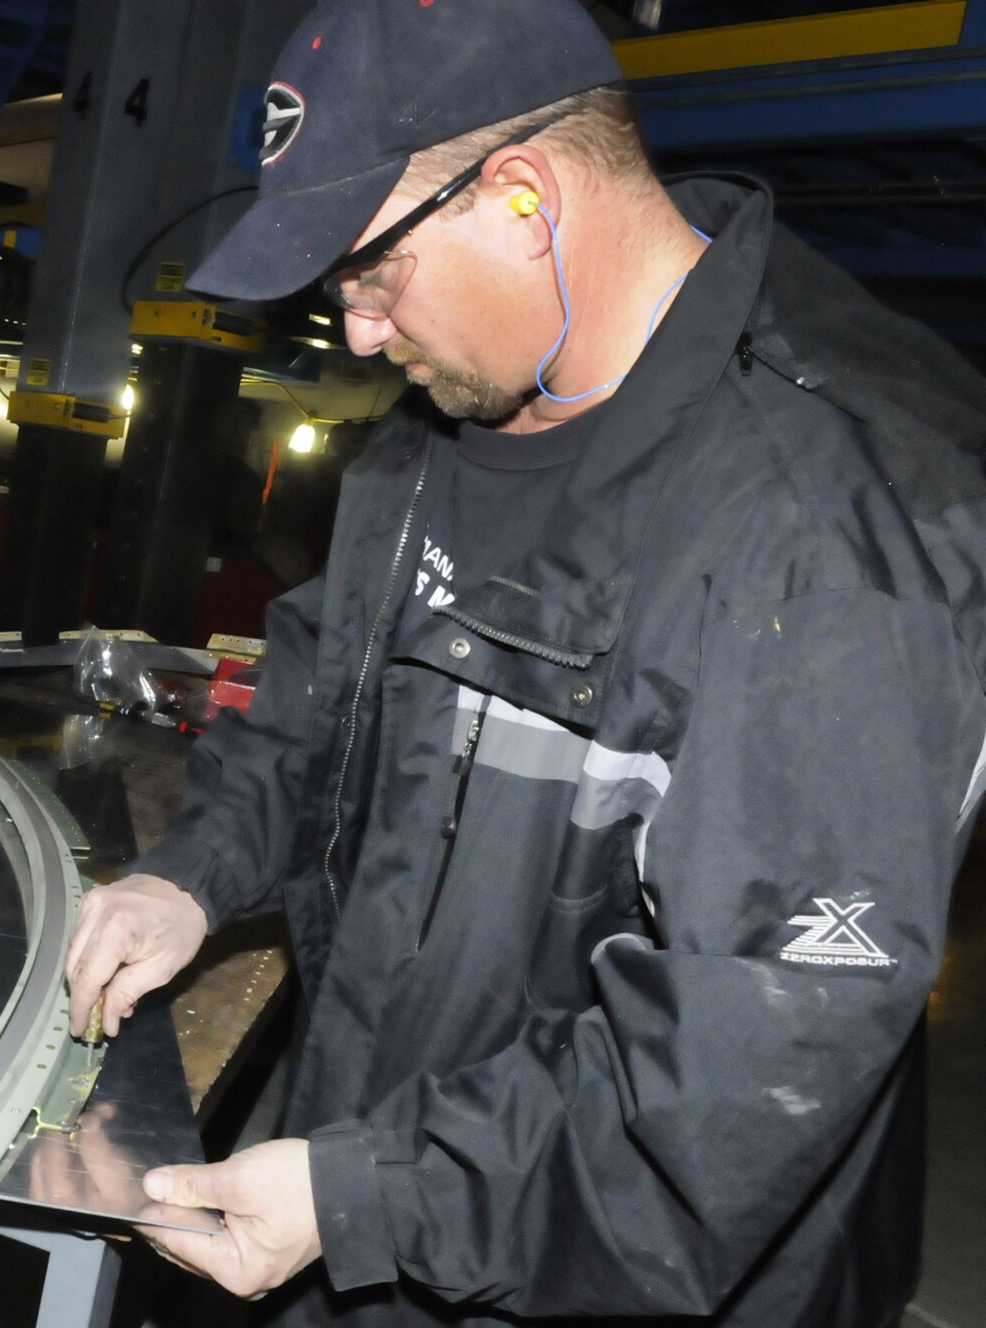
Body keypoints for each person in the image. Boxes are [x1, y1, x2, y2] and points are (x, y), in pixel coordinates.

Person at [63, 2, 986, 1324]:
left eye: (368, 271)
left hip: (606, 1273)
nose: (361, 333)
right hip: (396, 1178)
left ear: (521, 197)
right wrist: (188, 880)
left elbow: (741, 1067)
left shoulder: (835, 524)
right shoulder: (450, 418)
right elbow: (315, 708)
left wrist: (373, 1198)